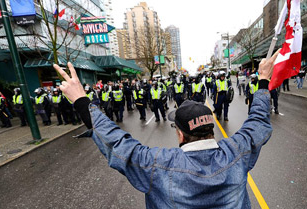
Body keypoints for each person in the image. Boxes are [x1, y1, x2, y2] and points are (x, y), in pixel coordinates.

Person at [53, 49, 279, 208]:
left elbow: (117, 143)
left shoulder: (157, 165)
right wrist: (262, 80)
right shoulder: (237, 152)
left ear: (180, 133)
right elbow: (258, 121)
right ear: (211, 129)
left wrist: (81, 101)